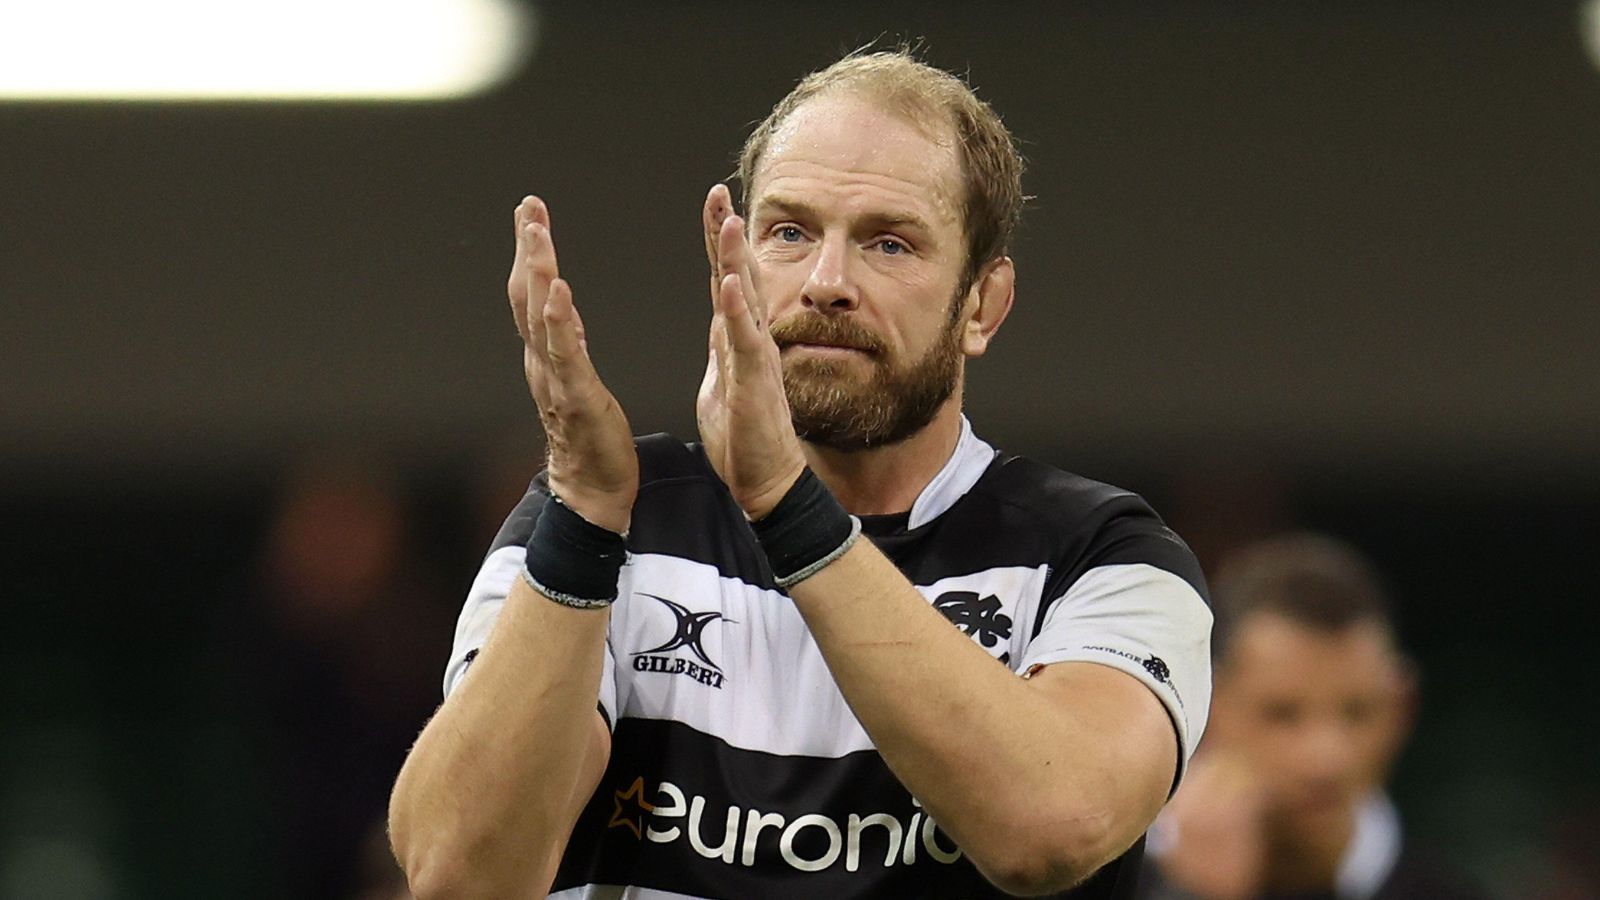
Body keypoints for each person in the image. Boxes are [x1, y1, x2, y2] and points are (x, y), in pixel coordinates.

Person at [388, 49, 1213, 899]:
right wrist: (583, 519)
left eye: (889, 243)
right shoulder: (605, 525)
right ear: (731, 260)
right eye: (789, 232)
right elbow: (460, 878)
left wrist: (788, 506)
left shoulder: (1103, 556)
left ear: (982, 305)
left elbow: (1050, 828)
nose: (827, 283)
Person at [1136, 533, 1488, 900]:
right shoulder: (1096, 874)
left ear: (1402, 708)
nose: (1325, 759)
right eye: (1282, 715)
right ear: (1205, 703)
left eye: (1358, 713)